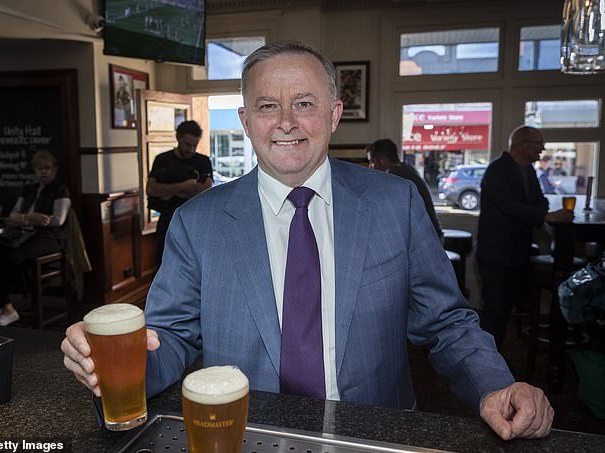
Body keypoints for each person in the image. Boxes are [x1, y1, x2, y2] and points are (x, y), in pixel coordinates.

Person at [63, 41, 553, 441]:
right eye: (267, 106)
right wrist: (111, 364)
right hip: (244, 437)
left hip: (373, 435)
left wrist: (496, 387)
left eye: (304, 103)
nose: (286, 122)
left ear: (334, 114)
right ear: (246, 121)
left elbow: (447, 322)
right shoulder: (197, 222)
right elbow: (168, 340)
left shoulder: (395, 204)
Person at [477, 126, 573, 351]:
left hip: (517, 251)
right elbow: (508, 206)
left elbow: (541, 201)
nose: (543, 148)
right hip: (496, 252)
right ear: (522, 144)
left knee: (505, 308)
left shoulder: (528, 170)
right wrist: (545, 215)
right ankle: (485, 364)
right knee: (494, 311)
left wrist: (542, 211)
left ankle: (495, 357)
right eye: (538, 143)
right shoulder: (497, 170)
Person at [0, 150, 71, 326]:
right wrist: (30, 218)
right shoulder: (29, 189)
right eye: (40, 168)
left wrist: (29, 218)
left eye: (47, 168)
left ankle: (4, 308)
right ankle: (4, 304)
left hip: (50, 238)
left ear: (54, 170)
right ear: (34, 171)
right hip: (24, 234)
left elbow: (57, 220)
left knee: (13, 257)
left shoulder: (60, 189)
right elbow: (13, 215)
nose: (44, 172)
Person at [145, 120, 213, 264]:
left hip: (197, 222)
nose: (191, 149)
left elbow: (205, 193)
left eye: (195, 145)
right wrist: (184, 186)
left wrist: (168, 191)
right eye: (187, 145)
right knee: (164, 264)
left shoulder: (203, 161)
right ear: (178, 138)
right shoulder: (162, 160)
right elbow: (151, 189)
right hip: (168, 221)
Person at [366, 138, 443, 240]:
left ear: (383, 160)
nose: (370, 167)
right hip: (434, 235)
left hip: (427, 241)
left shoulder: (393, 175)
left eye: (372, 162)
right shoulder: (407, 169)